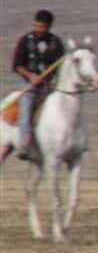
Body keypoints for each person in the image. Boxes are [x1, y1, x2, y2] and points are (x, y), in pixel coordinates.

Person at [10, 9, 65, 159]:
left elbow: (61, 66)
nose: (39, 29)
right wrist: (31, 76)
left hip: (50, 87)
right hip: (31, 86)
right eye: (37, 26)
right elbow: (17, 65)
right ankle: (24, 145)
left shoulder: (56, 43)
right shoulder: (26, 40)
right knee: (26, 105)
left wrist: (54, 81)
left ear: (49, 27)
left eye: (43, 27)